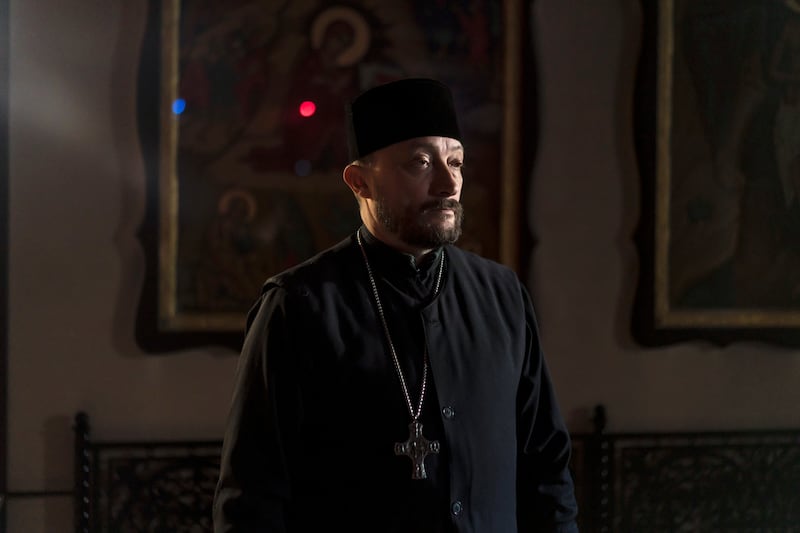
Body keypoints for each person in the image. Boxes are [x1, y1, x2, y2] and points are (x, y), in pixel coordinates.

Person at [213, 78, 579, 532]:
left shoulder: (502, 295)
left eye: (457, 162)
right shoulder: (299, 306)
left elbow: (546, 470)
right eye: (420, 163)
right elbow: (253, 497)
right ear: (360, 181)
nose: (448, 184)